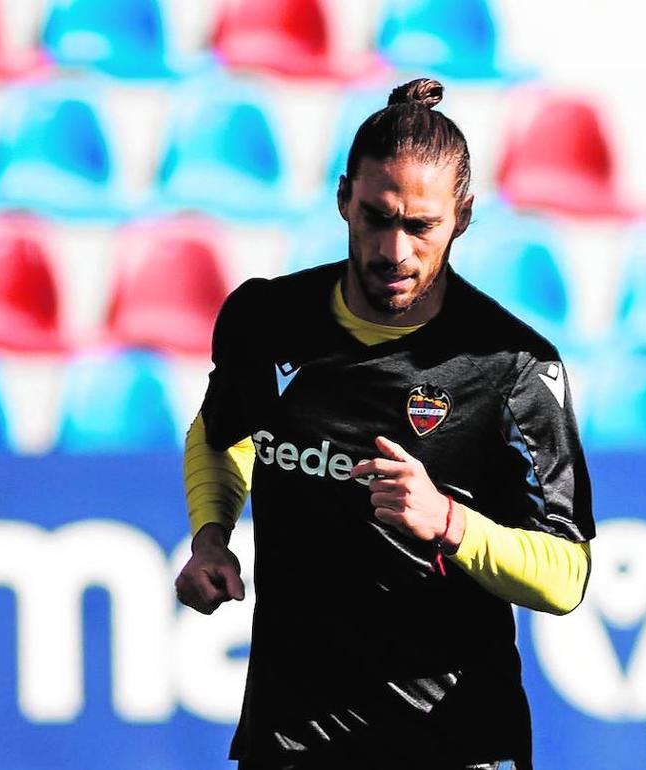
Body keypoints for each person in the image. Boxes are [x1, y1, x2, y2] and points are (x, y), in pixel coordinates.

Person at [174, 78, 594, 770]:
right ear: (344, 199)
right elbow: (221, 434)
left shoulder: (512, 366)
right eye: (376, 217)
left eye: (420, 226)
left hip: (453, 742)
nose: (394, 251)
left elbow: (567, 573)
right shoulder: (266, 320)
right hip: (293, 738)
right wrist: (212, 537)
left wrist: (450, 522)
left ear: (461, 216)